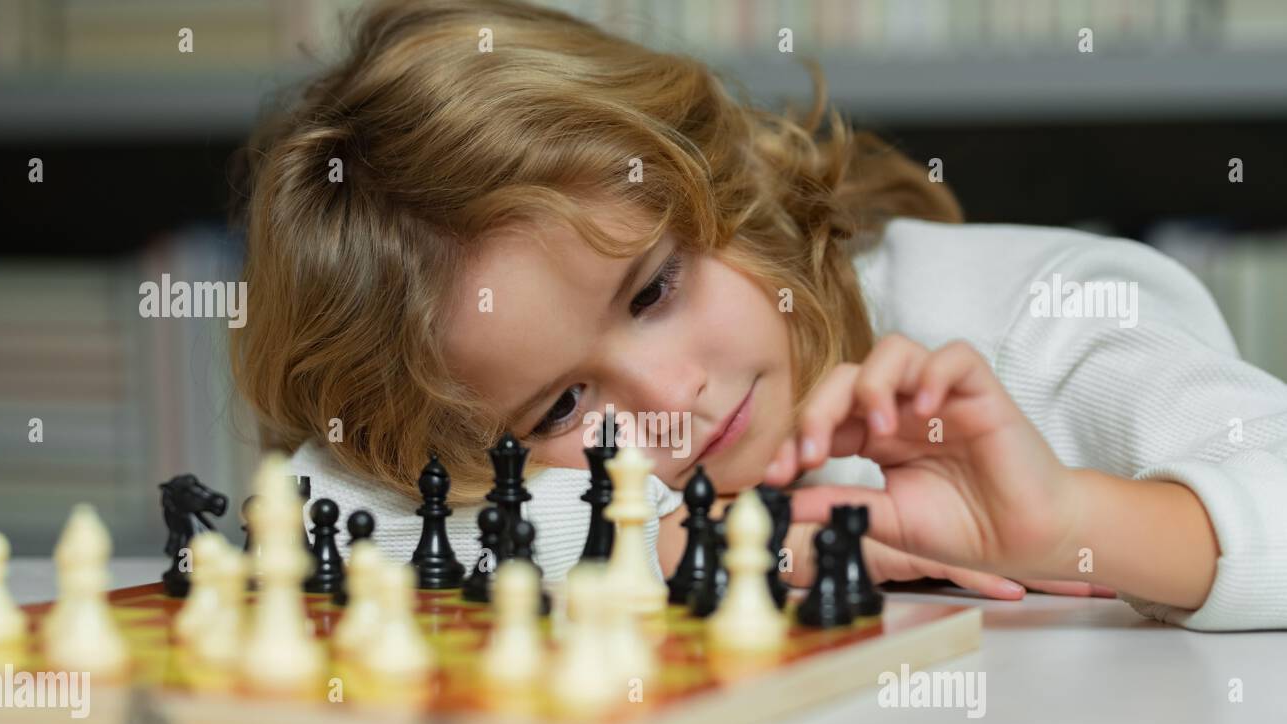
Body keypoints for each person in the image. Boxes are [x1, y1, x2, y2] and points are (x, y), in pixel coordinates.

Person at [229, 0, 1287, 631]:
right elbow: (314, 514)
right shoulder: (547, 472)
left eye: (652, 290)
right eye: (560, 402)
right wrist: (705, 536)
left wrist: (1074, 527)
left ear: (720, 185)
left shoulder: (1039, 321)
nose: (669, 399)